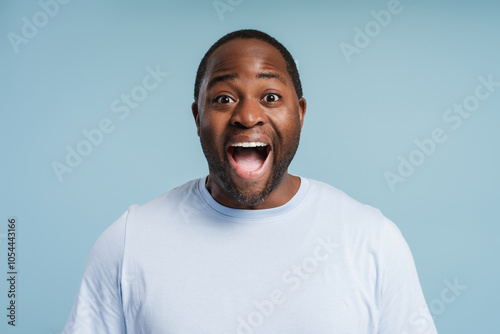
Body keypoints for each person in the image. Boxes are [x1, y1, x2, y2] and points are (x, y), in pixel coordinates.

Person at [62, 29, 437, 333]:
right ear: (198, 117)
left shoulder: (372, 239)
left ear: (300, 114)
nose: (247, 115)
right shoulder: (129, 241)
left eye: (270, 96)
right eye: (223, 99)